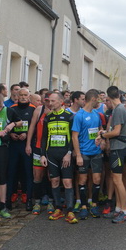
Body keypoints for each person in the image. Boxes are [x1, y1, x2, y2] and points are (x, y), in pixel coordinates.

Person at [40, 92, 77, 224]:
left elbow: (73, 137)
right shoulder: (47, 117)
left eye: (53, 101)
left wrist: (69, 152)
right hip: (51, 154)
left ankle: (70, 210)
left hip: (64, 154)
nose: (50, 103)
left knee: (67, 182)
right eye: (49, 101)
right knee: (54, 181)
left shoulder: (69, 116)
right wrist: (43, 154)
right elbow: (44, 137)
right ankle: (58, 209)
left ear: (61, 102)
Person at [71, 89, 105, 220]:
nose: (99, 102)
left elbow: (100, 130)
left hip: (96, 152)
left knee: (96, 179)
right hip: (84, 153)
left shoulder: (96, 114)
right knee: (82, 180)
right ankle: (84, 206)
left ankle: (94, 204)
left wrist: (101, 138)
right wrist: (78, 155)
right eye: (98, 99)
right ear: (93, 99)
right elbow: (74, 137)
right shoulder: (79, 115)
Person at [99, 86, 126, 223]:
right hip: (117, 147)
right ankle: (118, 209)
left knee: (118, 180)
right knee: (115, 178)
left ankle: (124, 211)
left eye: (107, 100)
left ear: (110, 97)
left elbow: (117, 131)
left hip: (119, 147)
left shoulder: (118, 109)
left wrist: (103, 135)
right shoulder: (120, 108)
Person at [8, 88, 36, 211]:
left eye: (25, 95)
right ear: (17, 96)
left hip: (27, 145)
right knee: (11, 171)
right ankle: (9, 197)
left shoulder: (33, 109)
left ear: (29, 97)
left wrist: (27, 134)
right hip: (13, 144)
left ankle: (28, 197)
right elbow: (6, 124)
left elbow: (35, 127)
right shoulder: (11, 108)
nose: (23, 97)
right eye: (21, 95)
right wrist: (10, 134)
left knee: (28, 172)